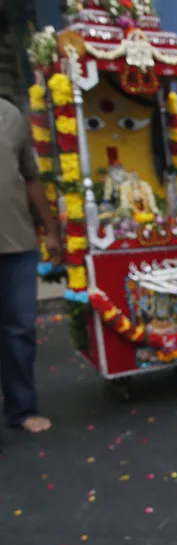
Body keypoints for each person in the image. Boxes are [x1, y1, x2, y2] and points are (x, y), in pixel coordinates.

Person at [0, 96, 63, 442]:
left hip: (16, 242)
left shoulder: (10, 116)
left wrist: (51, 230)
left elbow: (30, 178)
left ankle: (22, 409)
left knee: (19, 330)